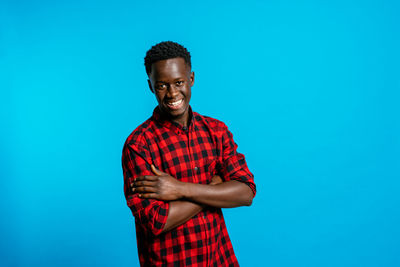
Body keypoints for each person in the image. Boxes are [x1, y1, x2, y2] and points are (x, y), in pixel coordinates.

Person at [122, 41, 256, 266]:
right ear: (151, 87)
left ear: (191, 79)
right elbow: (156, 221)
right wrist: (214, 189)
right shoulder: (139, 145)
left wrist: (178, 189)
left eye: (179, 82)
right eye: (162, 85)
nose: (172, 93)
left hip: (219, 259)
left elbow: (245, 192)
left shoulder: (216, 131)